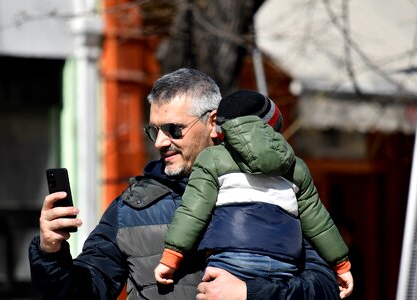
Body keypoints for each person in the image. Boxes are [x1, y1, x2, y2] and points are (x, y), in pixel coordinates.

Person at [28, 68, 340, 299]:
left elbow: (326, 288)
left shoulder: (276, 190)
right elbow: (83, 293)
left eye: (174, 129)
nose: (161, 142)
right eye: (154, 131)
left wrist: (250, 292)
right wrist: (50, 251)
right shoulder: (131, 207)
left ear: (213, 122)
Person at [154, 90, 353, 297]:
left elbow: (192, 212)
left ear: (222, 128)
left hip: (232, 260)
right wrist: (341, 265)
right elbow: (320, 223)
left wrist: (170, 258)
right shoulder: (296, 167)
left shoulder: (212, 158)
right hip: (284, 264)